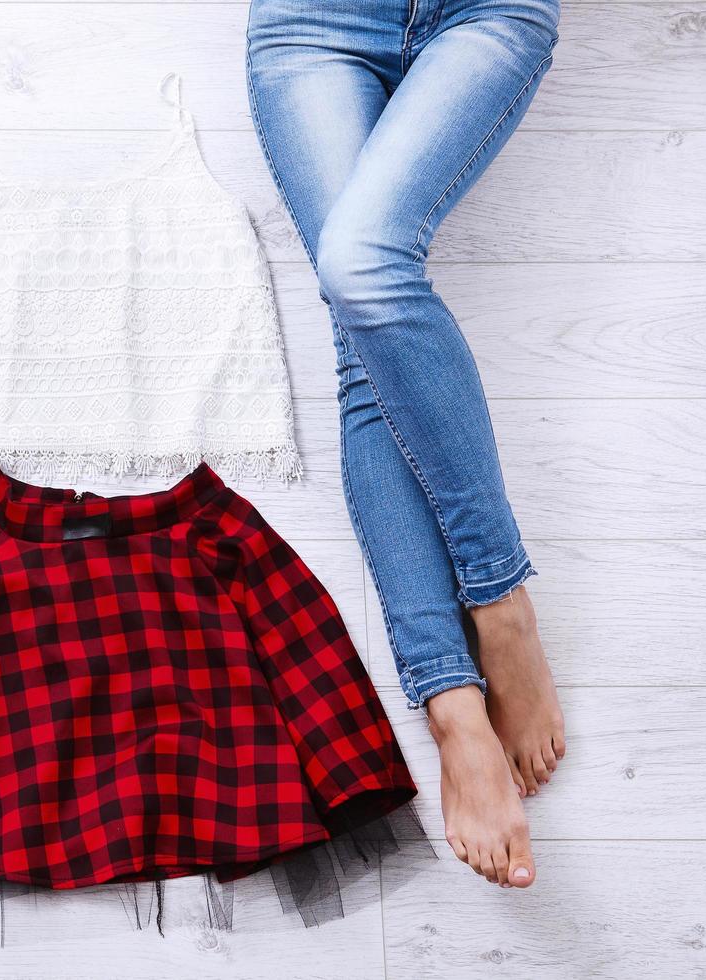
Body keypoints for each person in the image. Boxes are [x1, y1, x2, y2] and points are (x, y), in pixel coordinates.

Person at [246, 0, 566, 888]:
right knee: (361, 346)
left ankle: (500, 607)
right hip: (312, 21)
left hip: (484, 11)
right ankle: (453, 704)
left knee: (361, 263)